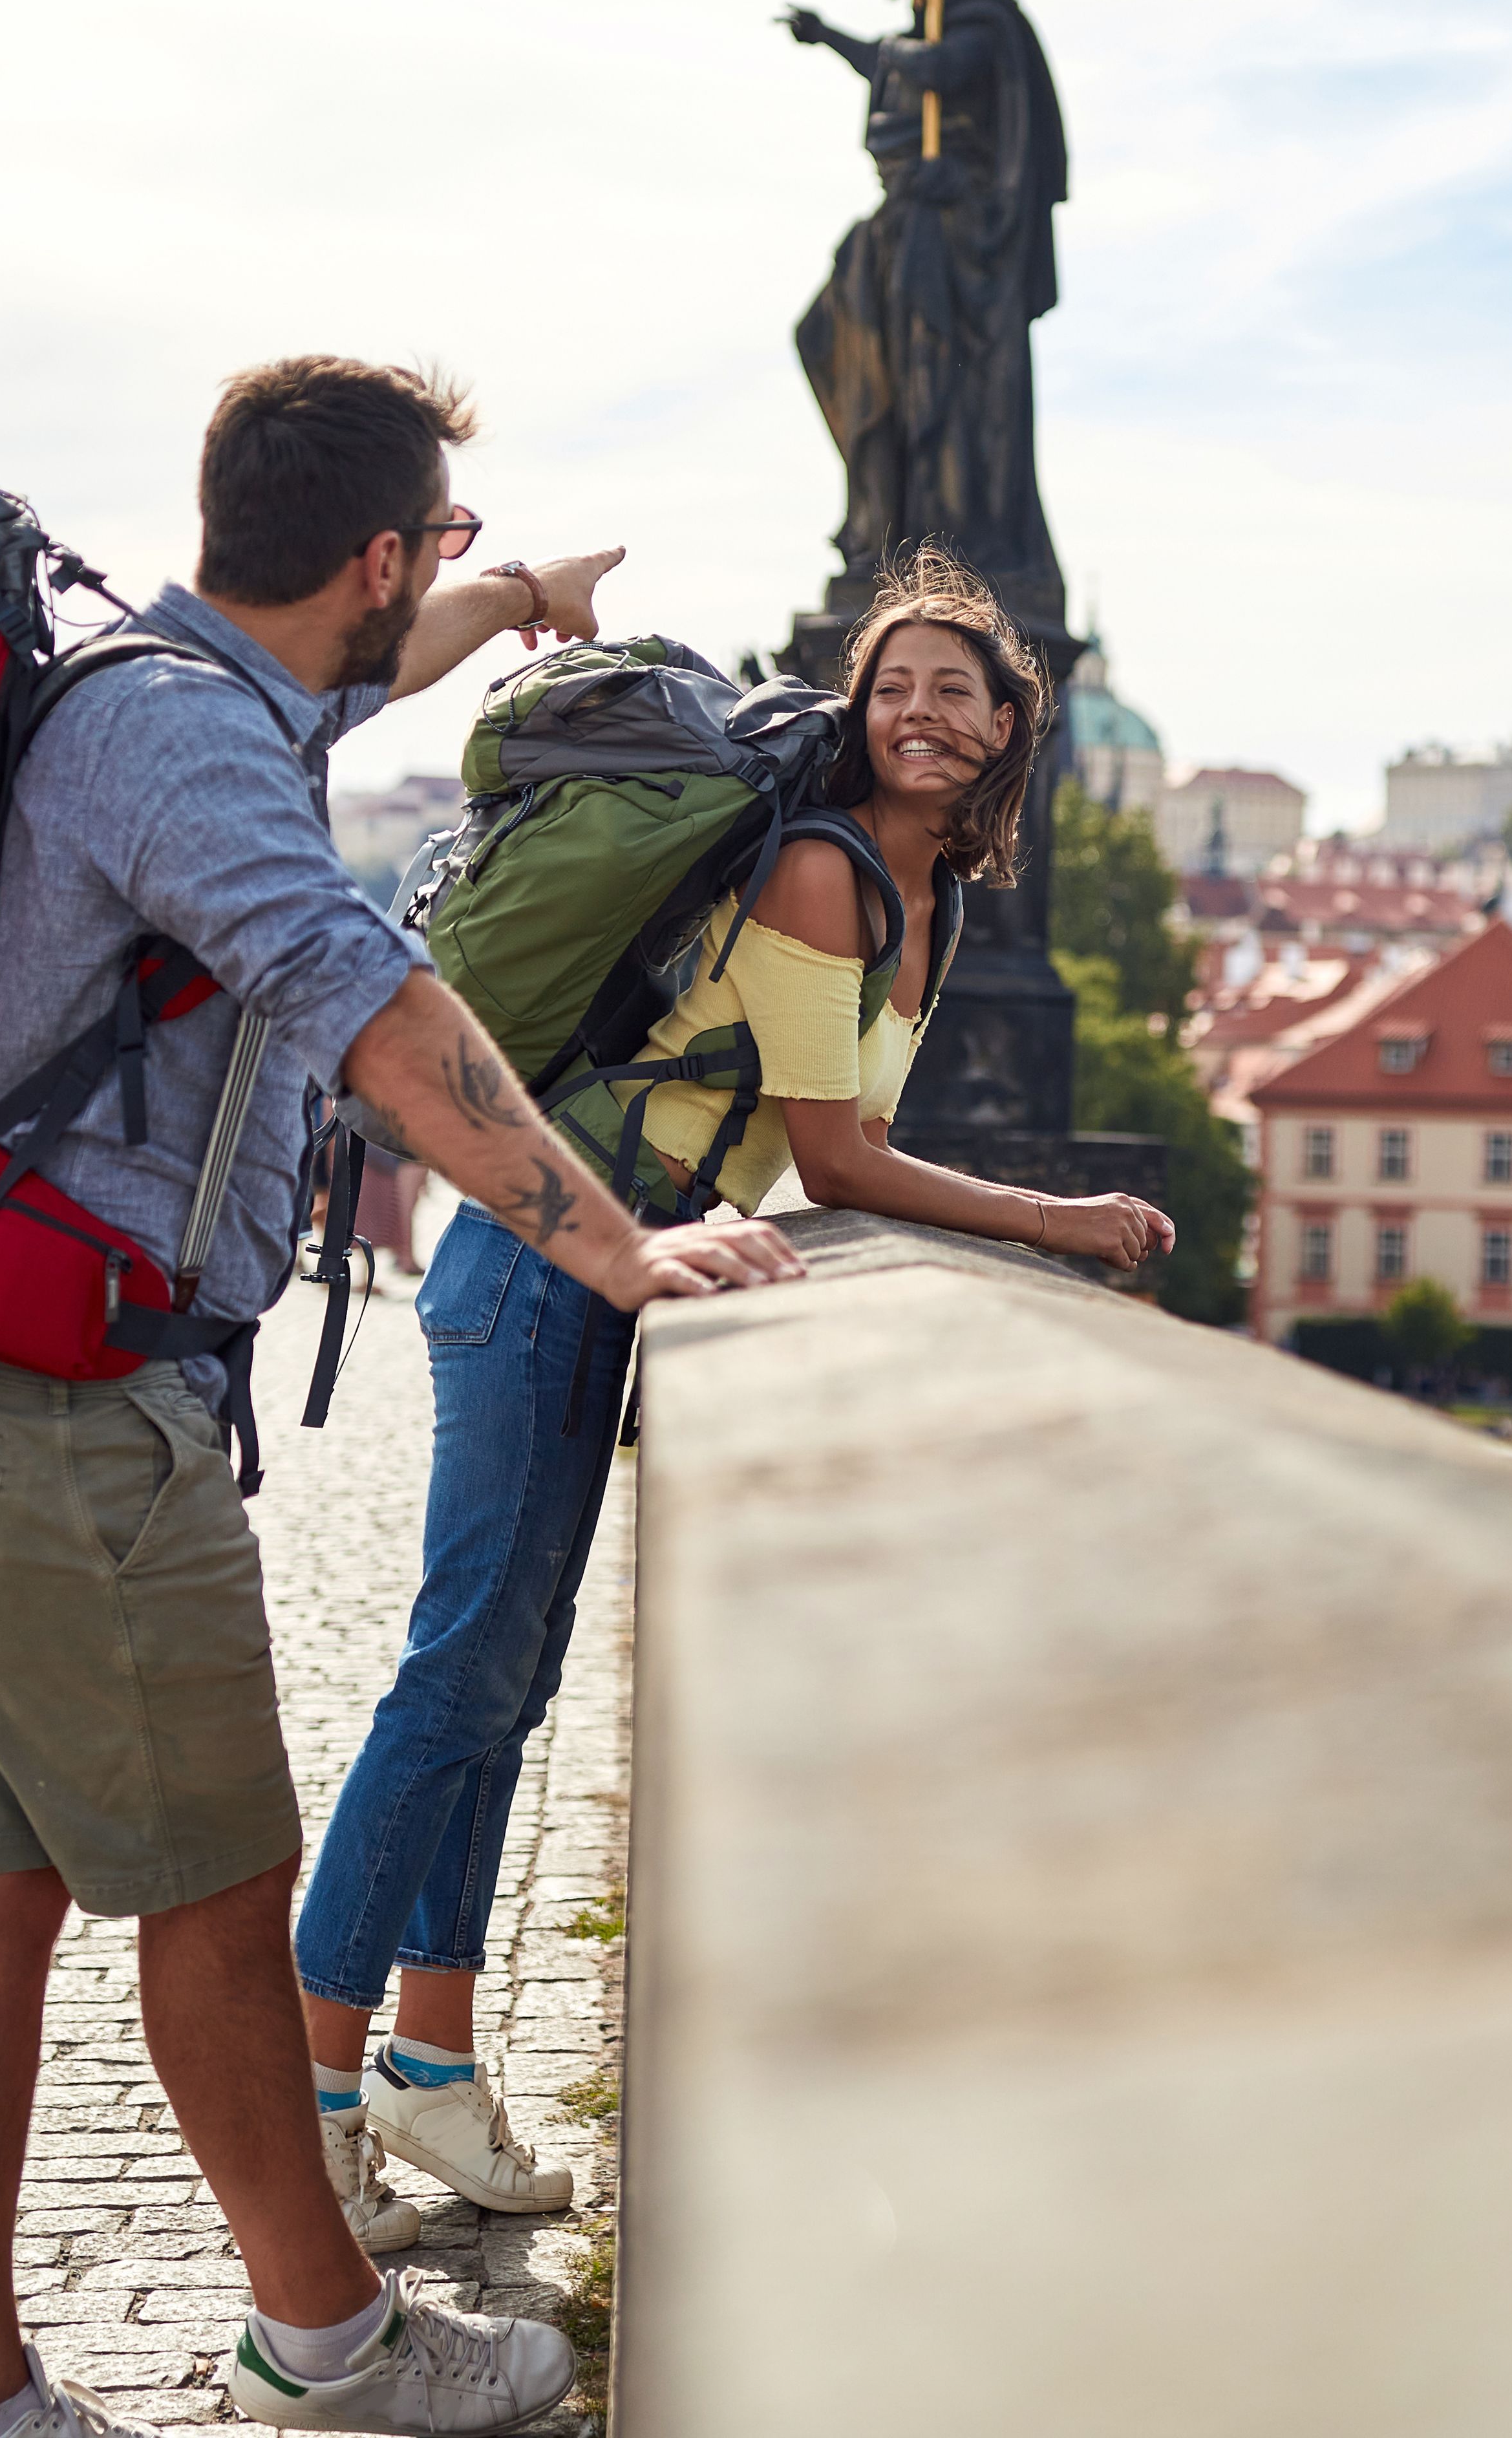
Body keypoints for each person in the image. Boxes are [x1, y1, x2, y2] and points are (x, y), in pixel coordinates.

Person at [0, 356, 800, 2438]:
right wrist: (614, 1246)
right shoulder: (197, 759)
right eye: (426, 550)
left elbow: (367, 677)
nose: (428, 584)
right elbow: (378, 1014)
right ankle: (327, 2343)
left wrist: (516, 591)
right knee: (215, 1886)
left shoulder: (172, 688)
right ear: (363, 553)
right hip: (64, 1412)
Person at [288, 551, 1168, 2240]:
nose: (922, 711)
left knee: (507, 1683)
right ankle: (311, 2093)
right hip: (541, 1260)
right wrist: (1052, 1220)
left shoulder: (925, 901)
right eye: (895, 684)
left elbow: (813, 1153)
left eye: (959, 692)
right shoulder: (826, 875)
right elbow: (836, 1155)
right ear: (860, 707)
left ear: (1007, 732)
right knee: (455, 1673)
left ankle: (427, 2073)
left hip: (616, 1269)